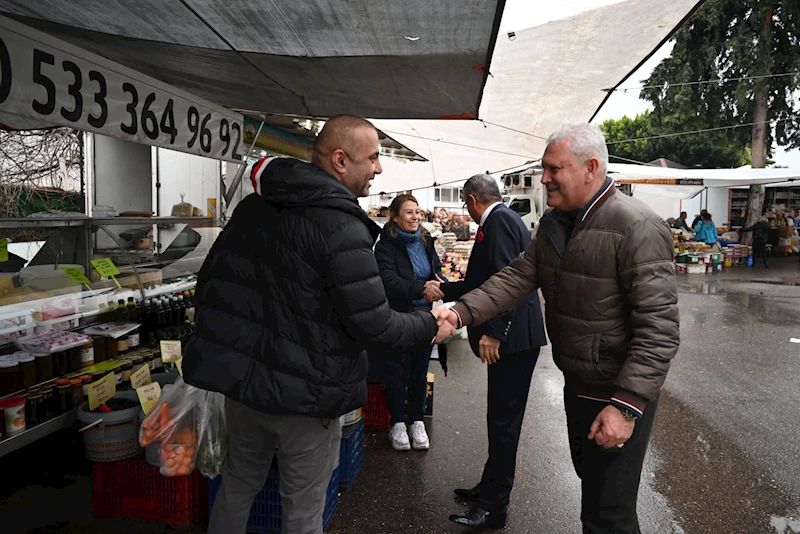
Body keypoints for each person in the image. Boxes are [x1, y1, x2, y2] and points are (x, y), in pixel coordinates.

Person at [184, 115, 455, 534]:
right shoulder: (341, 225)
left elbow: (211, 288)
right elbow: (376, 326)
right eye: (374, 158)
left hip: (245, 389)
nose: (379, 169)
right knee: (303, 511)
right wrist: (428, 322)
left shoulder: (253, 207)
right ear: (341, 160)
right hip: (305, 399)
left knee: (237, 486)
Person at [433, 123, 679, 534]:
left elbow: (659, 328)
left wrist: (626, 406)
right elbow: (515, 278)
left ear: (591, 167)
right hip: (578, 383)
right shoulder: (556, 223)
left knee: (609, 512)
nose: (544, 178)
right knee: (593, 492)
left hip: (614, 391)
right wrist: (459, 312)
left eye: (553, 169)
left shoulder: (637, 226)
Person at [437, 174, 547, 529]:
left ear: (470, 200)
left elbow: (505, 281)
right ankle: (489, 488)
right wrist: (445, 290)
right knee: (499, 418)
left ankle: (493, 508)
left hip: (513, 338)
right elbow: (483, 282)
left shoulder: (498, 222)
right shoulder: (506, 218)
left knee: (503, 423)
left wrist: (495, 333)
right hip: (516, 336)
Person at [374, 194, 447, 451]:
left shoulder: (425, 241)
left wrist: (439, 284)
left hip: (426, 317)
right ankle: (398, 422)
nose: (415, 217)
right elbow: (389, 283)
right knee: (398, 370)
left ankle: (417, 420)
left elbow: (435, 269)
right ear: (394, 216)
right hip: (399, 317)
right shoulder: (385, 246)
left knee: (419, 371)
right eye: (408, 212)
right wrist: (422, 290)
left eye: (417, 212)